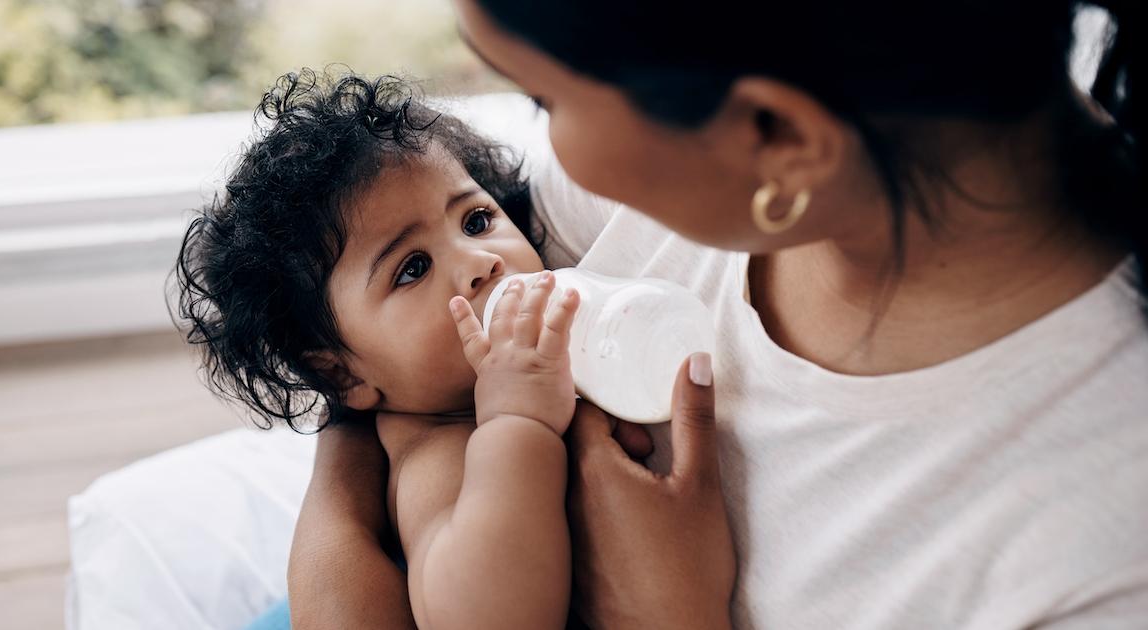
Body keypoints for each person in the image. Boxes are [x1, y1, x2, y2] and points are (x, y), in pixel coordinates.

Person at [288, 0, 1148, 628]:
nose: (483, 257)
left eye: (547, 102)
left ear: (777, 137)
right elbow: (382, 367)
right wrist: (382, 425)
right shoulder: (712, 155)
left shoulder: (1101, 562)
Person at [176, 69, 638, 629]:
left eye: (476, 219)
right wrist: (518, 424)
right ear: (344, 378)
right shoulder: (439, 452)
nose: (479, 262)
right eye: (412, 268)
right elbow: (487, 618)